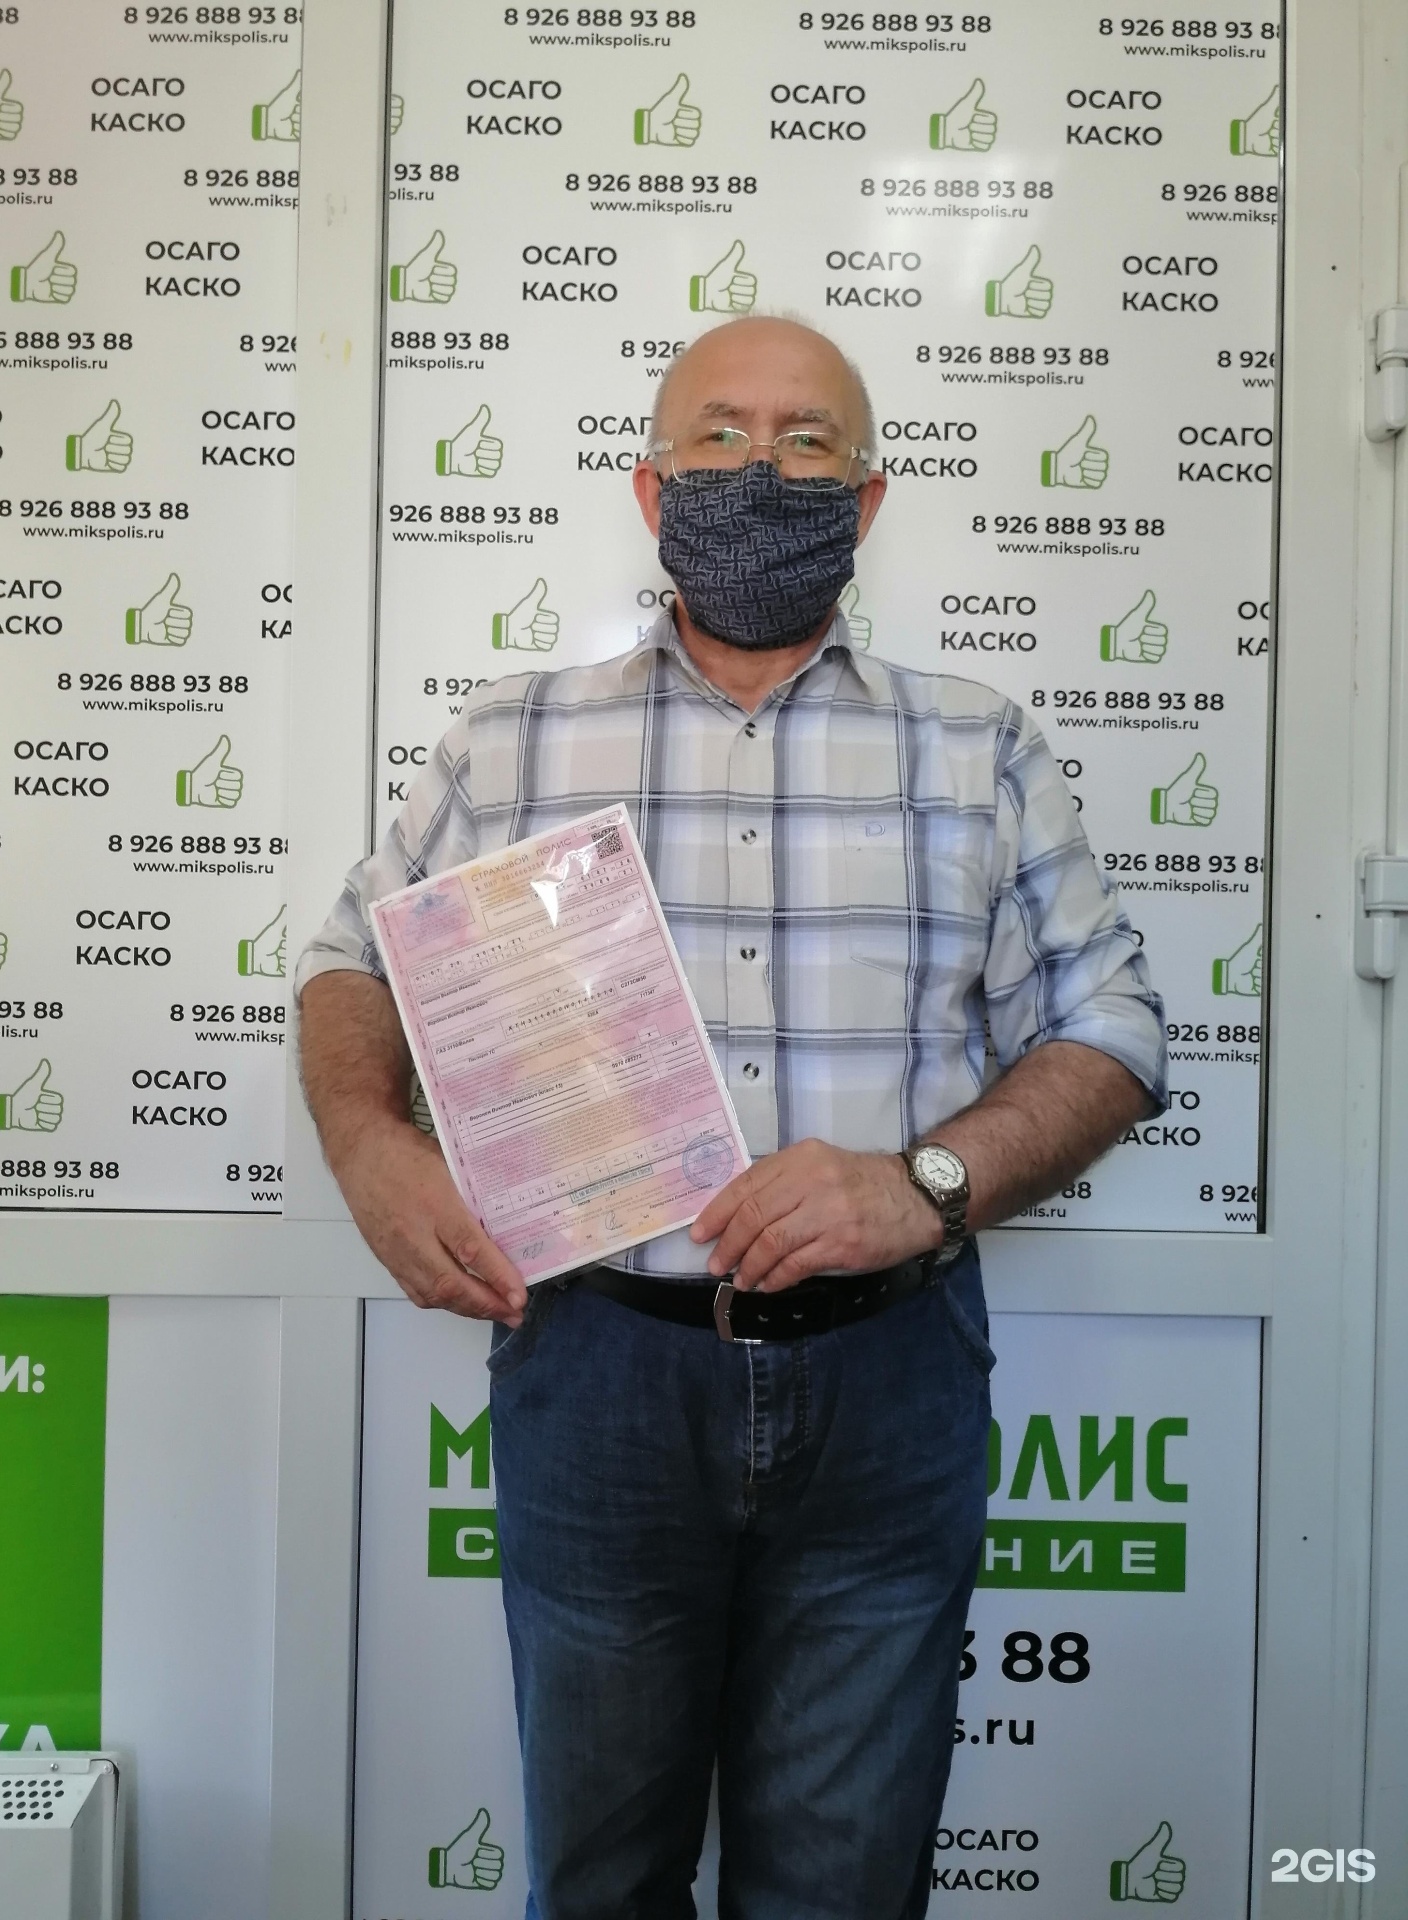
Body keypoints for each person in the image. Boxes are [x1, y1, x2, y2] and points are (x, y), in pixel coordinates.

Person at [297, 315, 1166, 1918]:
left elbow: (1113, 1028)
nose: (760, 468)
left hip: (891, 1381)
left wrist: (926, 1181)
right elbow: (351, 966)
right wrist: (370, 1145)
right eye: (718, 435)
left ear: (869, 496)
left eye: (807, 441)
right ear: (650, 487)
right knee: (604, 1883)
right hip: (598, 1377)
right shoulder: (512, 741)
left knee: (844, 1889)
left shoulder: (977, 743)